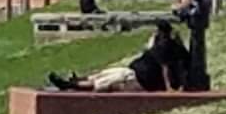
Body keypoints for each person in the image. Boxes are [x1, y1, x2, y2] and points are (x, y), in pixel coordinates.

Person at [49, 22, 182, 93]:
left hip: (137, 78)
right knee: (102, 74)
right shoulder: (157, 45)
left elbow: (166, 68)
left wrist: (169, 88)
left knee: (103, 83)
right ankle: (76, 80)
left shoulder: (166, 48)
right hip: (131, 72)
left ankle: (71, 85)